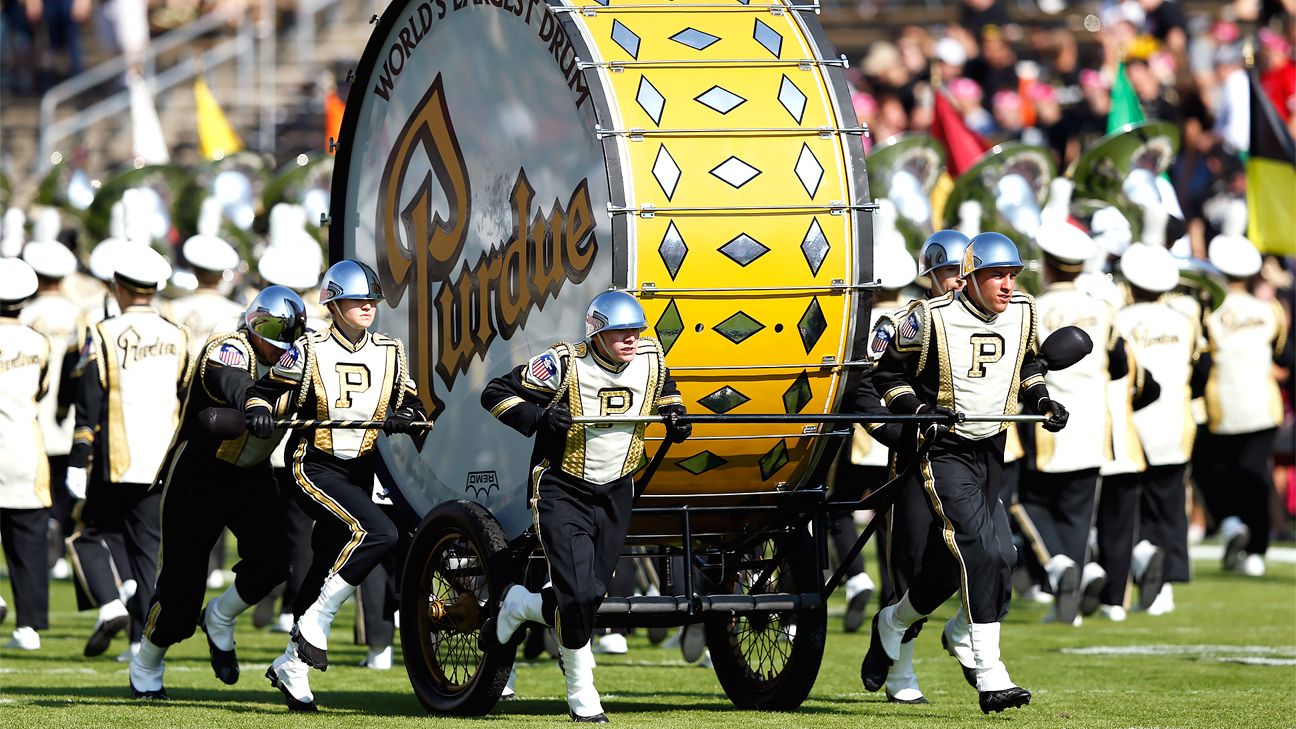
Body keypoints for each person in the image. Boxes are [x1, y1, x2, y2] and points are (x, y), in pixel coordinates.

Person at [862, 232, 1068, 714]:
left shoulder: (1023, 310)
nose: (1007, 284)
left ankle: (908, 626)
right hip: (929, 450)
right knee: (928, 554)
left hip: (987, 447)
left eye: (1013, 274)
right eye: (996, 274)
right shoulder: (918, 320)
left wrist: (1041, 401)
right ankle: (974, 670)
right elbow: (879, 380)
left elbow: (1027, 366)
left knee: (976, 558)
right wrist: (912, 419)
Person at [479, 289, 691, 723]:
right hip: (562, 487)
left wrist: (675, 414)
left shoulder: (652, 357)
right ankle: (581, 692)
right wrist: (539, 418)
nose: (630, 340)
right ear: (596, 334)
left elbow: (667, 391)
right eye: (619, 333)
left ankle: (519, 605)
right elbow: (495, 393)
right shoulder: (563, 363)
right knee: (576, 593)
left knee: (591, 593)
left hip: (617, 488)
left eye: (635, 331)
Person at [245, 259, 430, 712]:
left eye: (371, 299)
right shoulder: (306, 350)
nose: (368, 306)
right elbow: (264, 391)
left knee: (328, 557)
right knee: (379, 532)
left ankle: (293, 662)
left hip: (360, 468)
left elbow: (412, 401)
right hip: (314, 464)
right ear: (332, 303)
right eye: (357, 299)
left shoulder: (391, 351)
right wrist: (257, 408)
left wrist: (411, 416)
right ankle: (316, 625)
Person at [127, 286, 308, 699]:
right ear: (254, 324)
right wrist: (254, 403)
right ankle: (147, 662)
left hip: (252, 473)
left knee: (275, 563)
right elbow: (229, 380)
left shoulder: (300, 358)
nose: (279, 350)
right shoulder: (229, 346)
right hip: (200, 474)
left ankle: (221, 617)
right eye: (273, 338)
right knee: (181, 590)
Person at [66, 244, 188, 661]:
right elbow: (187, 399)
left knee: (85, 537)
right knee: (147, 552)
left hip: (115, 458)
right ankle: (142, 639)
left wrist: (78, 459)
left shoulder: (101, 333)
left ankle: (111, 604)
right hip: (163, 461)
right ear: (153, 288)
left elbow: (88, 403)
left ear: (118, 287)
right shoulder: (179, 334)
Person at [1016, 223, 1122, 625]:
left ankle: (1061, 567)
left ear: (1045, 264)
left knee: (1024, 501)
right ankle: (1074, 592)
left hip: (1047, 419)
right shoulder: (1104, 309)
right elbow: (1120, 364)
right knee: (1079, 513)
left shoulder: (1031, 308)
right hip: (1095, 420)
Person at [1196, 235, 1291, 578]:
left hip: (1222, 403)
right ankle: (1255, 550)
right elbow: (1281, 352)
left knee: (1210, 469)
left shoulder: (1208, 311)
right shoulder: (1271, 310)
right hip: (1263, 404)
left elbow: (1201, 359)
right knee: (1255, 476)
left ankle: (1232, 523)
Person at [1116, 244, 1195, 615]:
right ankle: (1167, 585)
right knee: (1170, 504)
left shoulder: (1121, 320)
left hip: (1131, 425)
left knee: (1129, 507)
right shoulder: (1184, 321)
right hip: (1174, 423)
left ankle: (1143, 562)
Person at [18, 240, 82, 579]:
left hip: (30, 412)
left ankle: (49, 537)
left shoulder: (23, 312)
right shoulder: (78, 313)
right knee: (66, 479)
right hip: (70, 412)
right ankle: (63, 537)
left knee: (37, 482)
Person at [0, 258, 53, 651]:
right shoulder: (40, 342)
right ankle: (29, 626)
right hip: (26, 446)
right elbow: (41, 390)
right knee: (29, 536)